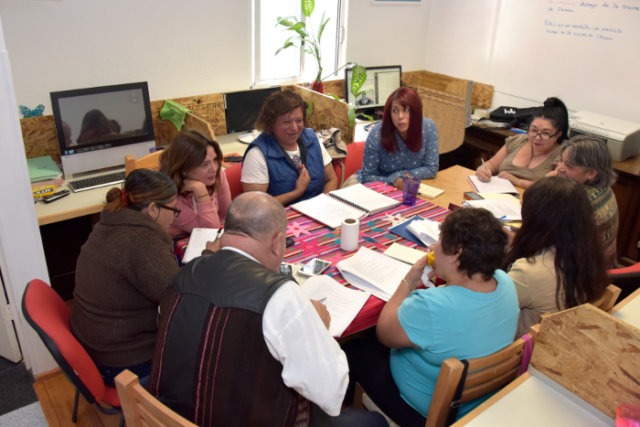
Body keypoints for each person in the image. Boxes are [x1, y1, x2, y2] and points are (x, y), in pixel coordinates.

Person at [147, 192, 387, 427]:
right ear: (277, 241)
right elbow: (331, 394)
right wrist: (320, 329)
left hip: (166, 417)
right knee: (373, 421)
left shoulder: (184, 273)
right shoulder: (280, 295)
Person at [344, 208, 519, 426]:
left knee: (354, 348)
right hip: (475, 402)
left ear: (457, 254)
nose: (434, 247)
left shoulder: (431, 306)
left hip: (424, 412)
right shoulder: (505, 281)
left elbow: (384, 333)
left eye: (440, 242)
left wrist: (409, 280)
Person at [70, 168, 181, 385]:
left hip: (96, 348)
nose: (175, 217)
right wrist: (207, 259)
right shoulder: (141, 241)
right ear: (153, 209)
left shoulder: (108, 224)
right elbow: (178, 298)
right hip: (124, 363)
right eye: (173, 209)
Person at [504, 176, 608, 337]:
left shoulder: (527, 273)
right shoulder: (586, 253)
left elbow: (484, 308)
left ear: (537, 219)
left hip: (517, 346)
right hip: (561, 336)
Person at [241, 89, 339, 205]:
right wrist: (296, 193)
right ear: (271, 123)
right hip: (280, 215)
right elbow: (255, 205)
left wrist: (323, 205)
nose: (294, 128)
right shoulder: (257, 154)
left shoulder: (312, 139)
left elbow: (331, 179)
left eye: (299, 120)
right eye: (287, 122)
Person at [348, 86, 439, 188]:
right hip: (375, 185)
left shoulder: (428, 127)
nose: (400, 116)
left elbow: (431, 168)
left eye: (406, 110)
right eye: (395, 111)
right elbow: (367, 177)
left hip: (408, 185)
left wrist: (400, 177)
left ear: (416, 112)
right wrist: (393, 181)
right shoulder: (376, 134)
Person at [551, 135, 619, 268]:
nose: (559, 168)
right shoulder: (604, 187)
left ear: (591, 173)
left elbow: (546, 239)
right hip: (602, 266)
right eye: (561, 161)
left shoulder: (576, 201)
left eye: (569, 166)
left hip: (581, 272)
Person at [475, 97, 569, 189]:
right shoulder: (519, 140)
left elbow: (551, 188)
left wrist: (517, 181)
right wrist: (483, 170)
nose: (537, 137)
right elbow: (491, 165)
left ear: (558, 135)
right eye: (533, 130)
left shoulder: (563, 155)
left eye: (545, 133)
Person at [160, 129, 232, 238]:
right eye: (204, 164)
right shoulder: (169, 196)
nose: (214, 169)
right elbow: (210, 232)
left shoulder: (218, 174)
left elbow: (225, 217)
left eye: (215, 160)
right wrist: (200, 190)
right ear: (184, 169)